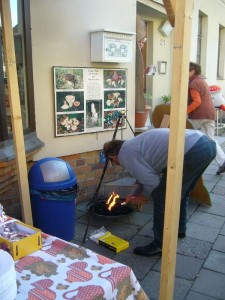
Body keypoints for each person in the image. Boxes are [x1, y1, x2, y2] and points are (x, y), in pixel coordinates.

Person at [103, 128, 216, 256]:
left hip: (191, 151)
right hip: (206, 145)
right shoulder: (133, 145)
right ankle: (179, 230)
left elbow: (152, 182)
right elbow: (146, 175)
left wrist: (144, 197)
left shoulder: (125, 154)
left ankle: (160, 244)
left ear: (112, 156)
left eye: (112, 162)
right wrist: (136, 195)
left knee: (162, 197)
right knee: (180, 192)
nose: (116, 164)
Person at [187, 62, 225, 174]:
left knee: (184, 135)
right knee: (210, 139)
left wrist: (185, 111)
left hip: (198, 115)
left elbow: (197, 101)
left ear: (192, 71)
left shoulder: (193, 82)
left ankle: (186, 161)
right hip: (209, 114)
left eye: (187, 70)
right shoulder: (202, 80)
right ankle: (222, 161)